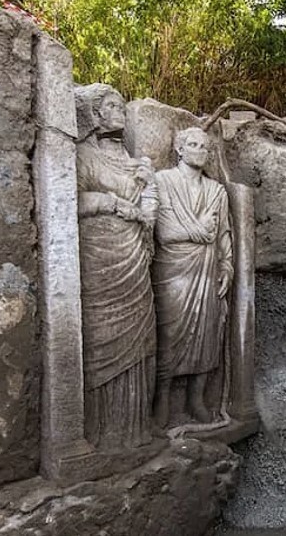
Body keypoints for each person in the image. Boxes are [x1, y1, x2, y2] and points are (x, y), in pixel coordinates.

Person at [74, 84, 158, 449]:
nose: (119, 110)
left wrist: (149, 187)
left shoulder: (134, 162)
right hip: (100, 257)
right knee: (103, 336)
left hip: (135, 256)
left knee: (140, 334)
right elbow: (72, 200)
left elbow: (150, 212)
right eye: (111, 105)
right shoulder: (83, 156)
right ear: (94, 114)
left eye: (122, 105)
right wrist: (113, 203)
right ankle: (101, 432)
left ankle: (135, 430)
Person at [152, 127, 233, 426]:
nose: (200, 150)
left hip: (207, 270)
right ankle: (162, 397)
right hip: (172, 270)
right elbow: (165, 232)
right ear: (179, 149)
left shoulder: (216, 191)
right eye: (194, 144)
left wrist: (227, 266)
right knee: (169, 333)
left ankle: (196, 399)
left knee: (207, 332)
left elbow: (222, 234)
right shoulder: (163, 181)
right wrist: (199, 231)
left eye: (205, 146)